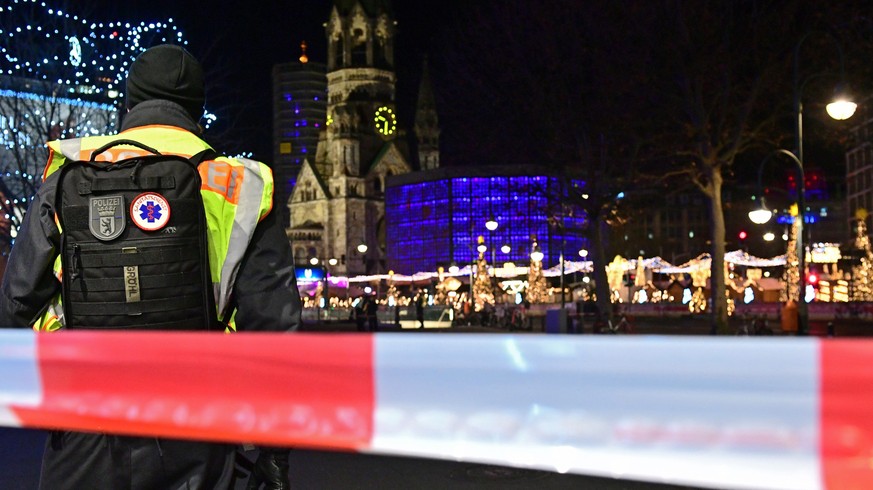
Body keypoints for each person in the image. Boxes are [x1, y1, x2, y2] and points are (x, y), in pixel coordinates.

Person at [0, 45, 301, 490]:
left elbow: (14, 308)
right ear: (197, 110)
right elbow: (274, 328)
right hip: (197, 426)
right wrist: (273, 453)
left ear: (128, 104)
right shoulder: (242, 187)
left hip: (86, 422)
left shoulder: (65, 179)